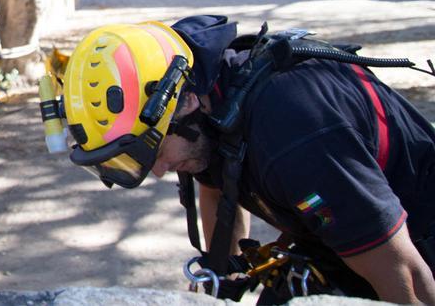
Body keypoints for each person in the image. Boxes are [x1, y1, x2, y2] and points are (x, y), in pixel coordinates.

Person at [56, 16, 435, 304]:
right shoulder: (205, 96)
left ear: (186, 102)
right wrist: (222, 280)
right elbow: (217, 186)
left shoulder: (295, 133)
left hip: (413, 248)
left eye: (151, 151)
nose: (156, 171)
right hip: (333, 245)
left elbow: (407, 274)